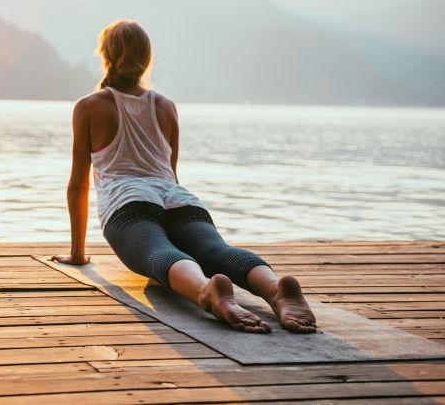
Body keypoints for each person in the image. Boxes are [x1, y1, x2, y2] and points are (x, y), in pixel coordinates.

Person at [52, 20, 317, 334]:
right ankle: (274, 289)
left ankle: (207, 292)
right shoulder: (165, 106)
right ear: (146, 60)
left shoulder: (90, 106)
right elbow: (170, 173)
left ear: (105, 56)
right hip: (179, 200)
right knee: (218, 252)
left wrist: (78, 254)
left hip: (128, 205)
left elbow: (78, 186)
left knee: (159, 254)